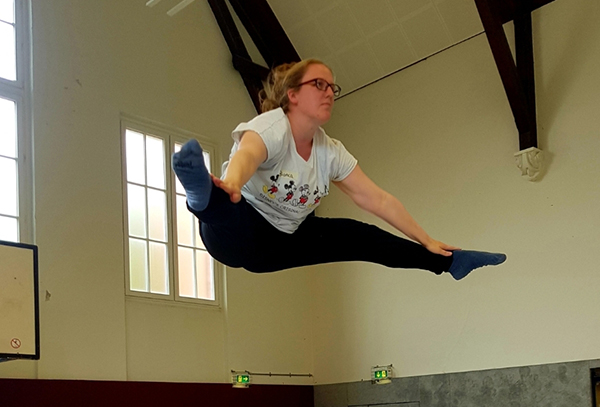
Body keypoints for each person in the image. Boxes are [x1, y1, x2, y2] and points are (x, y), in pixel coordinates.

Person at [172, 58, 506, 277]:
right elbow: (247, 154)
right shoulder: (272, 128)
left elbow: (378, 200)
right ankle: (202, 196)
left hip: (284, 243)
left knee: (360, 236)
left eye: (333, 86)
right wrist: (231, 182)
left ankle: (451, 263)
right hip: (238, 232)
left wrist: (427, 238)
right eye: (319, 84)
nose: (330, 92)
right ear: (293, 96)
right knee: (229, 206)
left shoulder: (330, 152)